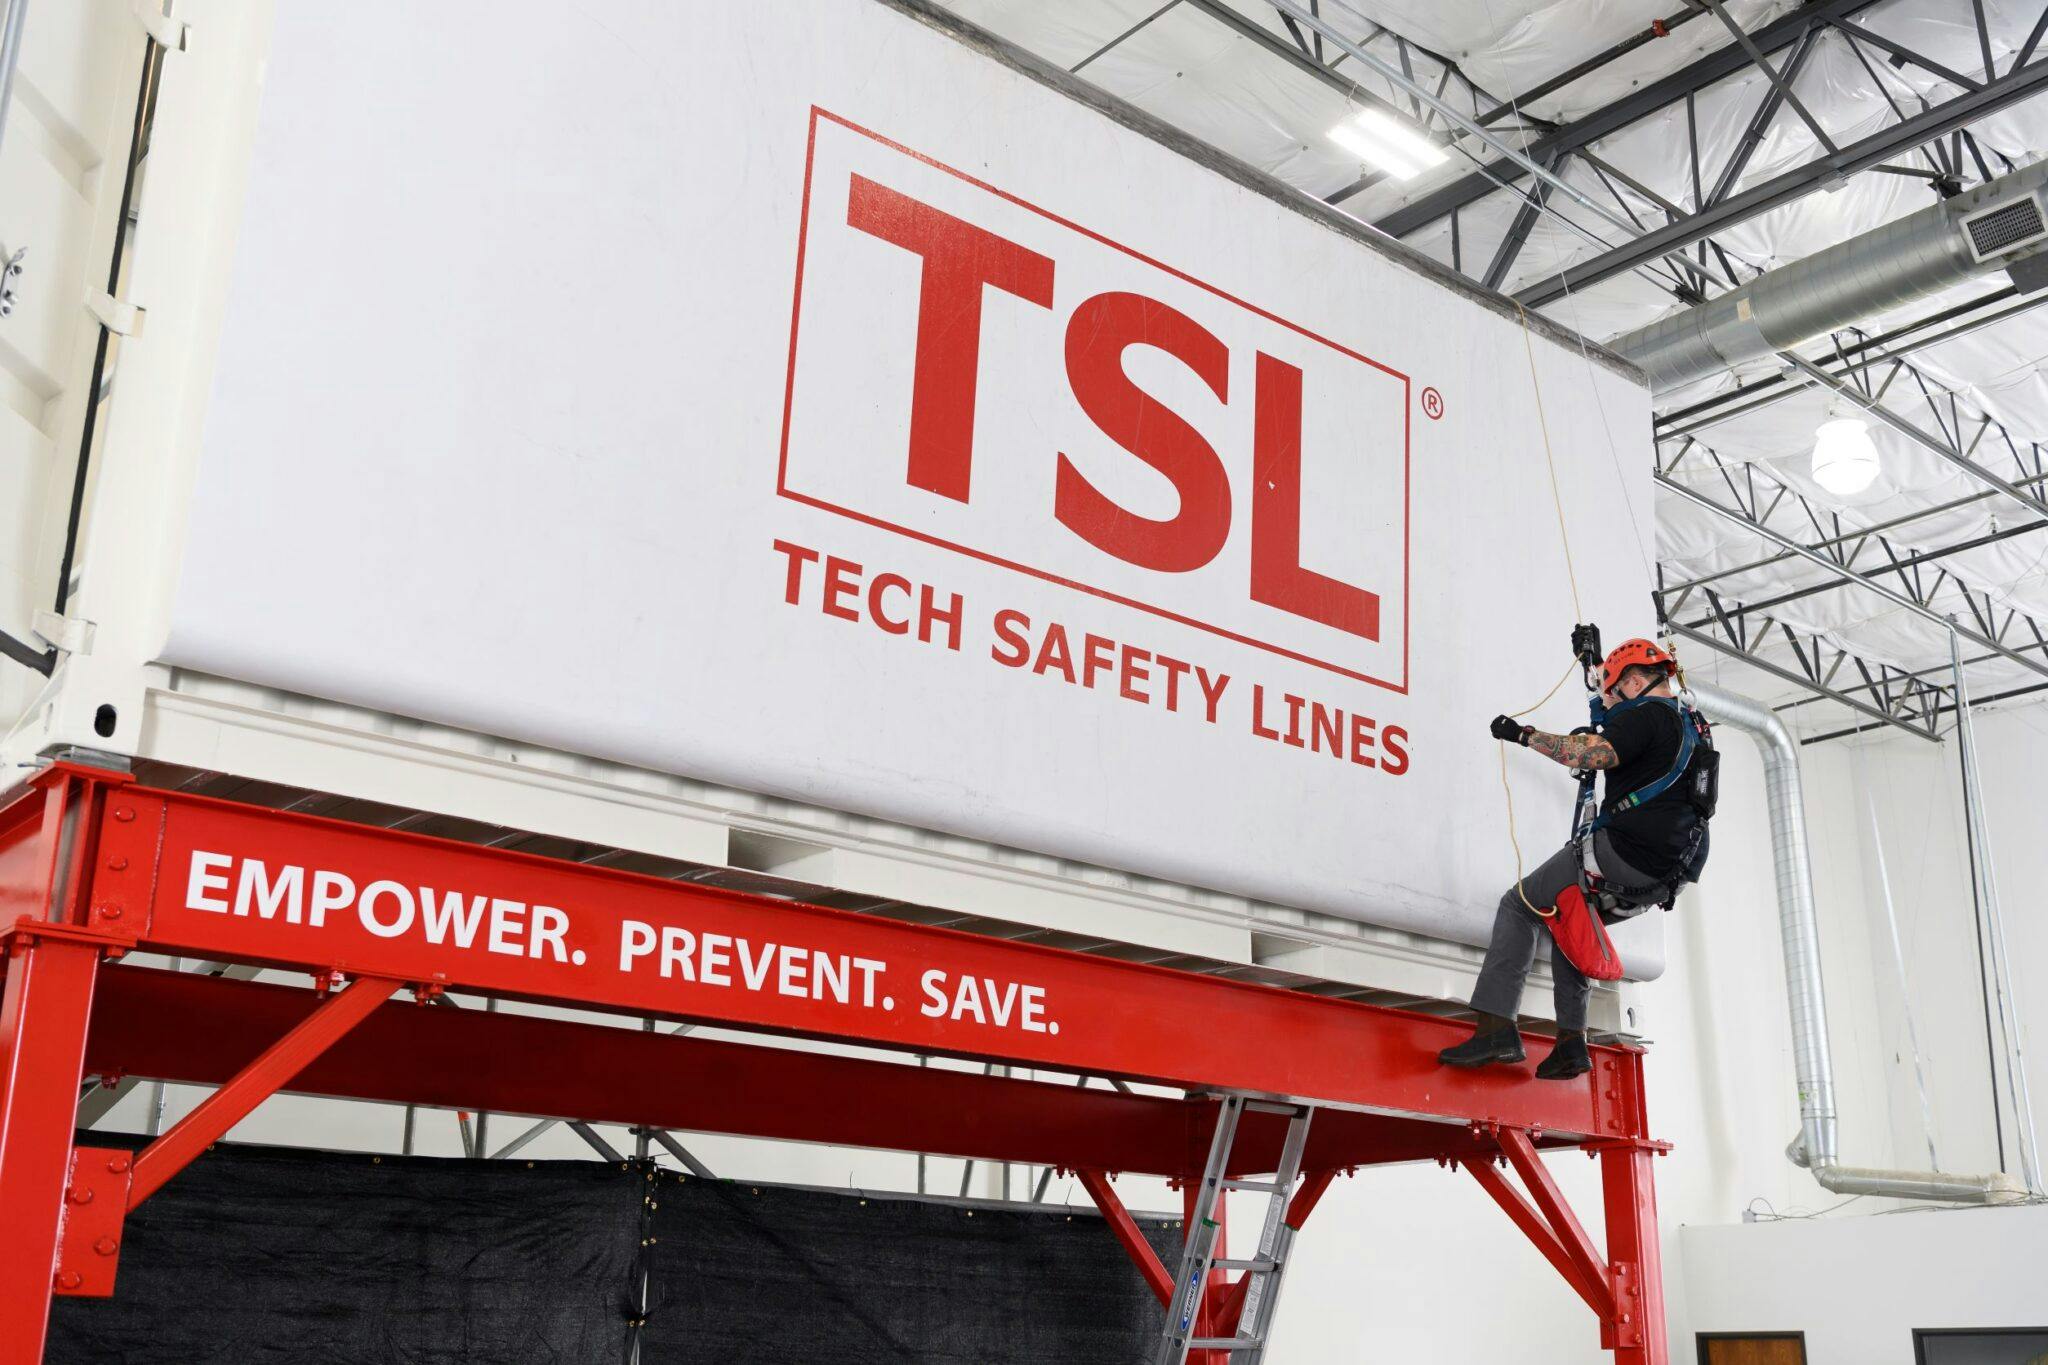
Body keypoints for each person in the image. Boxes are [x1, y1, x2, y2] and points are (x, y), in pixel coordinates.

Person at [1437, 637, 1708, 1080]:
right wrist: (1593, 662)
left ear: (1638, 682)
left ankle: (1495, 1027)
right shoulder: (1691, 724)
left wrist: (1523, 735)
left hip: (1625, 852)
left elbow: (1591, 752)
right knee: (1569, 913)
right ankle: (1570, 1044)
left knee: (1519, 904)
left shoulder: (1648, 715)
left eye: (1614, 692)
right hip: (1669, 873)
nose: (1610, 703)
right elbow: (1610, 724)